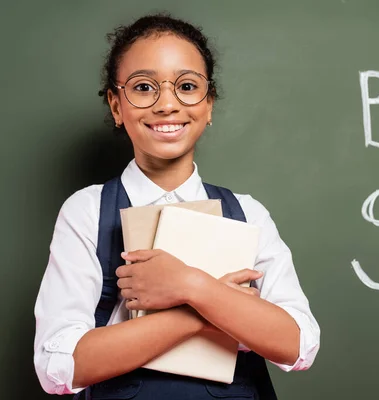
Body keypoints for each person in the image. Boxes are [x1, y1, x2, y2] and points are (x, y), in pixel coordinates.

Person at [33, 13, 320, 399]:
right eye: (144, 87)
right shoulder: (87, 210)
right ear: (117, 107)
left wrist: (190, 285)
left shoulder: (249, 213)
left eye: (186, 86)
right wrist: (207, 311)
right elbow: (59, 368)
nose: (167, 104)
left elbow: (298, 346)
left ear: (209, 104)